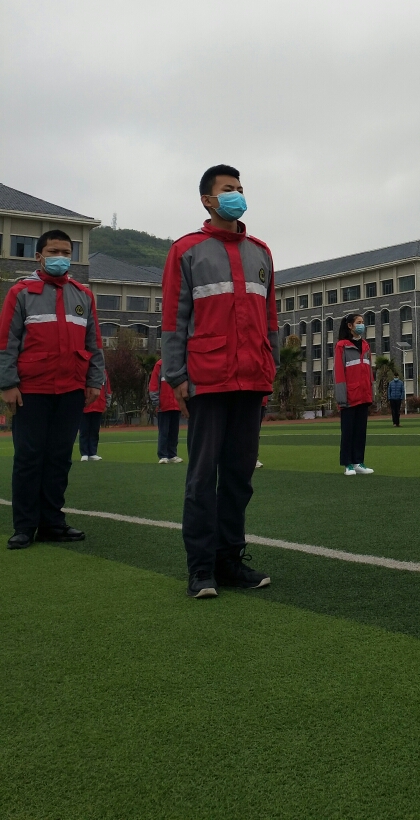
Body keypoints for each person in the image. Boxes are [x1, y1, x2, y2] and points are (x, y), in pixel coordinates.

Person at [161, 165, 277, 598]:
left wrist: (269, 371)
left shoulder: (261, 252)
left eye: (241, 189)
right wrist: (176, 376)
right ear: (208, 201)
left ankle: (230, 559)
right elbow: (174, 319)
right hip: (207, 380)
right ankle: (201, 568)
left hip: (250, 381)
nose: (238, 195)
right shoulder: (187, 251)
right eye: (229, 189)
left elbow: (270, 322)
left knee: (239, 476)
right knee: (201, 476)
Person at [0, 229, 105, 549]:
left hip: (71, 389)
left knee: (59, 458)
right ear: (39, 256)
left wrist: (94, 381)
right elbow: (6, 343)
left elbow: (94, 343)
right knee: (30, 457)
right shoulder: (20, 293)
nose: (60, 257)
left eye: (65, 252)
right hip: (31, 390)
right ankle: (24, 526)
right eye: (53, 251)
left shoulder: (83, 295)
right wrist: (7, 384)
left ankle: (52, 523)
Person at [334, 313, 374, 475]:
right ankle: (347, 464)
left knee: (360, 431)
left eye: (363, 322)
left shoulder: (365, 345)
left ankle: (358, 462)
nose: (362, 325)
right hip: (349, 397)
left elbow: (369, 371)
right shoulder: (341, 346)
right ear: (350, 326)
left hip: (364, 395)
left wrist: (371, 392)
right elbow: (339, 373)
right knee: (348, 432)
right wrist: (342, 398)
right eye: (358, 322)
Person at [148, 358, 183, 464]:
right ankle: (163, 455)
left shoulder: (179, 364)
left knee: (174, 432)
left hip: (176, 405)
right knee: (164, 431)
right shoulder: (159, 365)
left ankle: (172, 454)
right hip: (164, 405)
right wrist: (156, 401)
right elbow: (154, 384)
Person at [79, 373, 112, 461]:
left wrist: (107, 404)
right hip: (86, 406)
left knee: (95, 430)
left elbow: (107, 390)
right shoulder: (84, 370)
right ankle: (84, 453)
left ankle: (93, 453)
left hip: (99, 406)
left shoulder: (104, 373)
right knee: (84, 430)